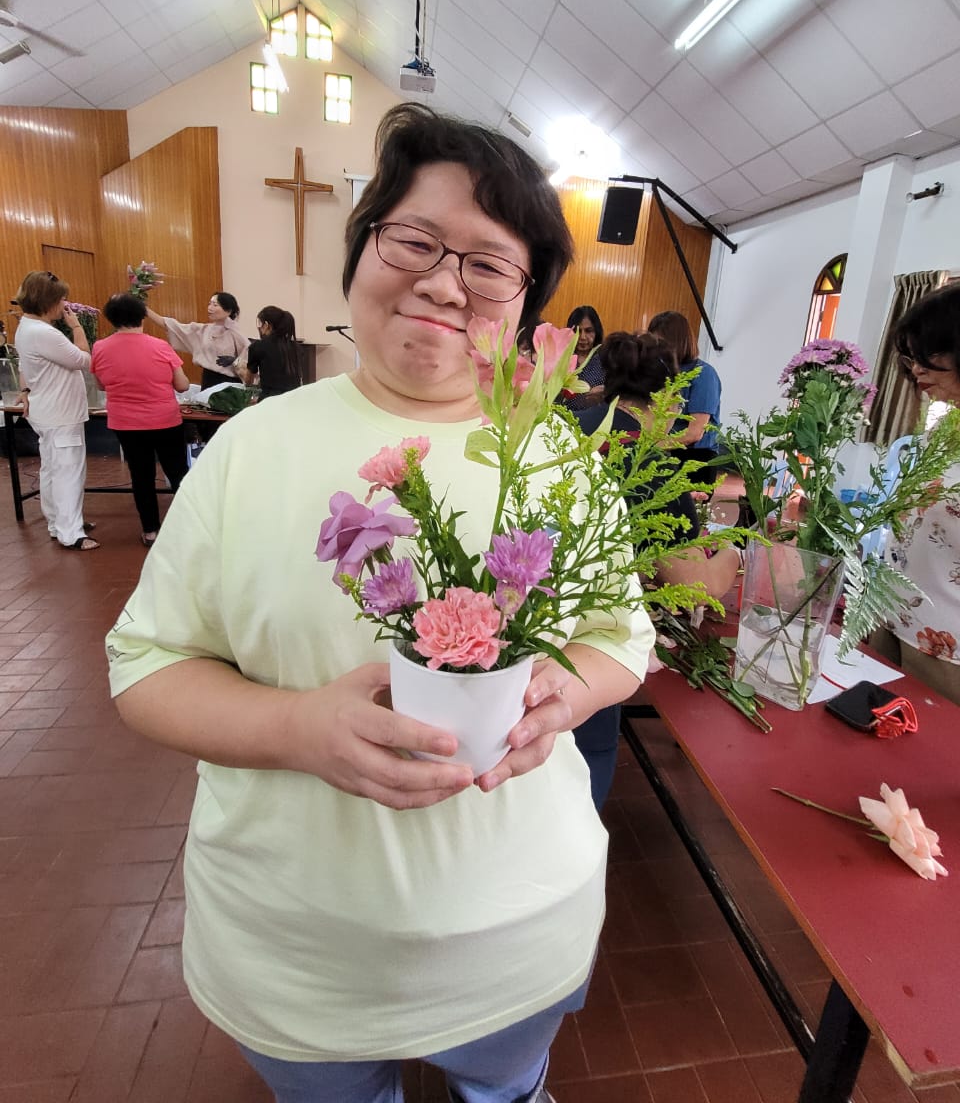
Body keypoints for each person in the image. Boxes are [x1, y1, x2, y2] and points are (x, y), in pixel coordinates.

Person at [105, 104, 653, 1103]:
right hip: (295, 948)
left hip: (516, 931)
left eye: (489, 264)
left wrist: (560, 698)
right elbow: (146, 665)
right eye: (415, 240)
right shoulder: (251, 448)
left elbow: (622, 635)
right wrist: (298, 728)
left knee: (508, 1090)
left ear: (526, 305)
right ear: (360, 249)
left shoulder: (556, 458)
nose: (444, 281)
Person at [572, 331, 740, 808]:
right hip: (587, 649)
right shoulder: (648, 466)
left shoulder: (564, 425)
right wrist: (735, 551)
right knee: (584, 767)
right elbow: (696, 588)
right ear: (671, 397)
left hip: (522, 629)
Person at [870, 282, 960, 703]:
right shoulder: (941, 430)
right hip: (891, 614)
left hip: (946, 642)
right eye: (911, 359)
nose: (917, 371)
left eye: (928, 356)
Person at [90, 293, 190, 546]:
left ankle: (150, 531)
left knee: (141, 476)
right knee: (178, 473)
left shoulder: (100, 347)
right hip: (165, 420)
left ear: (112, 318)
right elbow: (182, 385)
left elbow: (101, 385)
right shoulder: (160, 346)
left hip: (126, 423)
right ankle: (189, 527)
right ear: (142, 317)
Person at [12, 270, 98, 550]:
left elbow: (25, 365)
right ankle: (71, 533)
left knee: (52, 469)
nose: (65, 305)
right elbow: (83, 360)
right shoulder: (45, 333)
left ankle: (57, 522)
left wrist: (25, 390)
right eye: (61, 299)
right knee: (69, 472)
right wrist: (77, 328)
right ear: (47, 301)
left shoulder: (26, 326)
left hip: (47, 410)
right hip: (61, 413)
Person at [648, 310, 722, 483]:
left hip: (696, 458)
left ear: (677, 342)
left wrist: (653, 445)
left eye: (660, 343)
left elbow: (694, 433)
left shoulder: (703, 374)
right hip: (664, 453)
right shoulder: (661, 372)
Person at [145, 291, 248, 390]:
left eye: (215, 305)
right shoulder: (203, 330)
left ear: (228, 311)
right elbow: (173, 326)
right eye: (209, 304)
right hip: (209, 379)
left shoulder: (235, 332)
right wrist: (146, 310)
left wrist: (235, 361)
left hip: (229, 383)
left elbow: (250, 358)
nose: (210, 308)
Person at [240, 306, 302, 399]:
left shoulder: (258, 346)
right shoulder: (296, 347)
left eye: (260, 324)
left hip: (270, 400)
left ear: (266, 325)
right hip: (294, 399)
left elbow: (248, 381)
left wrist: (238, 366)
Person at [563, 305, 605, 410]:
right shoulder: (562, 358)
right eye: (577, 331)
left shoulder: (605, 359)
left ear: (597, 332)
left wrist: (605, 392)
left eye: (588, 331)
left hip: (593, 416)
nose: (582, 337)